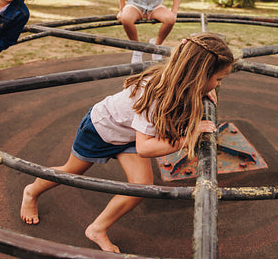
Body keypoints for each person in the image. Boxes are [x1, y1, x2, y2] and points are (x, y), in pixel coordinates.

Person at [20, 32, 234, 253]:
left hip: (130, 135)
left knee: (141, 185)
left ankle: (97, 228)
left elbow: (144, 140)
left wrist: (202, 94)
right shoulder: (155, 93)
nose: (218, 85)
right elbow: (145, 148)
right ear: (199, 76)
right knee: (71, 172)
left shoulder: (182, 83)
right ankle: (31, 192)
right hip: (100, 130)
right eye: (218, 80)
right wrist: (188, 136)